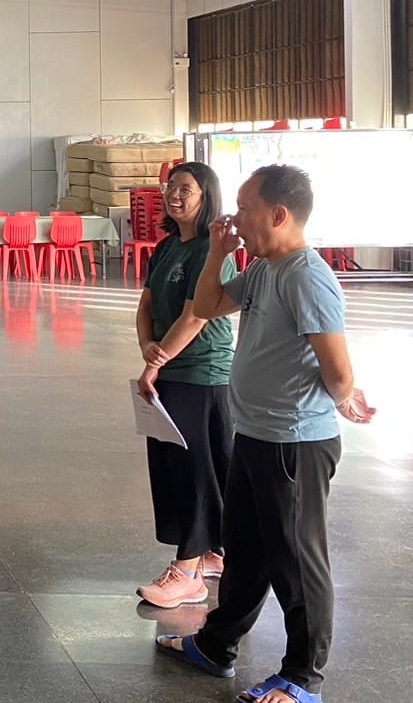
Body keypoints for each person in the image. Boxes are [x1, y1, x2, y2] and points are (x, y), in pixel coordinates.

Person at [157, 164, 376, 703]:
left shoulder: (306, 276)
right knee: (247, 551)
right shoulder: (264, 270)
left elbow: (338, 371)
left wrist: (345, 397)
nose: (235, 218)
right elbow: (207, 307)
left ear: (279, 215)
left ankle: (303, 678)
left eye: (245, 208)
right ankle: (216, 645)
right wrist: (217, 253)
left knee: (296, 561)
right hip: (256, 433)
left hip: (293, 443)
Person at [134, 162, 236, 609]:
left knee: (196, 468)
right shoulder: (168, 246)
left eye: (186, 189)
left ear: (206, 195)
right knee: (174, 464)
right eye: (171, 188)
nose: (175, 196)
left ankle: (189, 571)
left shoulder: (211, 250)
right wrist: (148, 348)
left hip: (201, 372)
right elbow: (147, 304)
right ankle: (212, 551)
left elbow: (196, 315)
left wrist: (157, 362)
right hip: (169, 367)